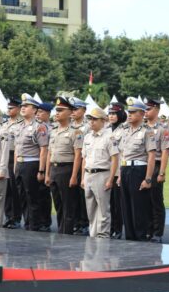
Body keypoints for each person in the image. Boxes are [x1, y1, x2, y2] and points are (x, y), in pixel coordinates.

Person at [118, 97, 156, 241]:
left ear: (141, 113)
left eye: (133, 112)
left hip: (139, 170)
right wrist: (120, 174)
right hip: (125, 169)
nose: (130, 114)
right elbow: (123, 153)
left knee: (138, 207)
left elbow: (151, 155)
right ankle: (130, 237)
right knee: (126, 206)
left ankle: (141, 238)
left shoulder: (147, 131)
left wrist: (148, 178)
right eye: (129, 112)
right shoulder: (126, 130)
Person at [46, 97, 83, 235]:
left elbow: (78, 155)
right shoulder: (54, 131)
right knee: (58, 204)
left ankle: (67, 233)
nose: (57, 113)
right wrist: (48, 173)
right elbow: (49, 153)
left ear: (70, 112)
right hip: (55, 169)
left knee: (68, 204)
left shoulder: (76, 132)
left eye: (61, 110)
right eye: (57, 110)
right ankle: (61, 229)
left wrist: (74, 176)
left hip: (67, 169)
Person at [80, 107, 119, 238]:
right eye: (90, 119)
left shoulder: (109, 137)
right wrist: (82, 178)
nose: (91, 122)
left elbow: (114, 159)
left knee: (103, 208)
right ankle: (93, 233)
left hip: (102, 174)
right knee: (90, 208)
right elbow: (84, 159)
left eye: (95, 119)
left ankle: (103, 235)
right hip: (88, 174)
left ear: (103, 121)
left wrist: (110, 179)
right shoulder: (87, 137)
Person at [14, 94, 49, 231]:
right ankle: (28, 222)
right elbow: (17, 146)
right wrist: (16, 166)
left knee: (32, 196)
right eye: (22, 106)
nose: (23, 108)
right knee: (22, 195)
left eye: (26, 106)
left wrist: (41, 170)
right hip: (20, 163)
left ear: (35, 110)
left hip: (32, 163)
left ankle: (35, 225)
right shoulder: (19, 126)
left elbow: (43, 149)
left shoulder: (39, 127)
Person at [144, 97, 169, 243]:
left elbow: (165, 151)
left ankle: (157, 232)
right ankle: (148, 230)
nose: (146, 112)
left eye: (148, 109)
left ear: (157, 110)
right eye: (145, 109)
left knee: (156, 200)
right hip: (144, 166)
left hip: (157, 165)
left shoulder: (163, 128)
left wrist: (162, 172)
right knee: (145, 201)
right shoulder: (143, 127)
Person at [2, 96, 24, 229]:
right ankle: (8, 216)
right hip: (4, 157)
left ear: (18, 108)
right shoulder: (5, 124)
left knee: (15, 189)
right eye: (8, 108)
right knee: (6, 189)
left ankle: (16, 218)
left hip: (14, 156)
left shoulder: (21, 124)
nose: (9, 110)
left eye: (12, 108)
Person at [70, 98, 90, 235]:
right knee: (72, 196)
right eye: (72, 109)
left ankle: (84, 223)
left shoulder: (88, 126)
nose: (73, 112)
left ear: (84, 110)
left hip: (83, 162)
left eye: (76, 109)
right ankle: (75, 222)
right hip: (70, 163)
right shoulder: (69, 125)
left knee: (82, 195)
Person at [108, 102, 127, 239]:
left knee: (117, 203)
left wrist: (120, 173)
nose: (111, 116)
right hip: (106, 170)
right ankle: (109, 228)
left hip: (117, 171)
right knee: (107, 203)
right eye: (110, 113)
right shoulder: (107, 129)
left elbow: (124, 153)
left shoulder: (124, 130)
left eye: (114, 113)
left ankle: (118, 229)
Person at [35, 101, 54, 230]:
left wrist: (43, 170)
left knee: (44, 194)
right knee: (36, 194)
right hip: (35, 162)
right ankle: (38, 220)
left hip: (46, 164)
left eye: (41, 112)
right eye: (38, 111)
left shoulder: (49, 128)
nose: (38, 114)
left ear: (47, 113)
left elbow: (46, 150)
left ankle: (45, 222)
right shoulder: (38, 127)